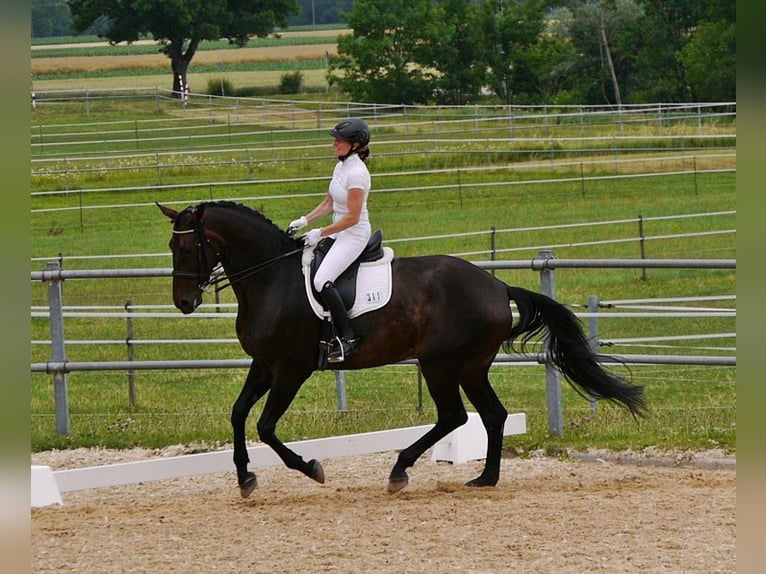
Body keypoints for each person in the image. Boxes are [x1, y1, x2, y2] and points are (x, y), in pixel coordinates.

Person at [288, 117, 372, 362]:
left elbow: (353, 217)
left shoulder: (357, 173)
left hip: (353, 234)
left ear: (355, 145)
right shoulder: (341, 167)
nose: (334, 144)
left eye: (340, 140)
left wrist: (320, 232)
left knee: (322, 279)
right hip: (337, 229)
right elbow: (329, 202)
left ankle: (348, 337)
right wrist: (305, 220)